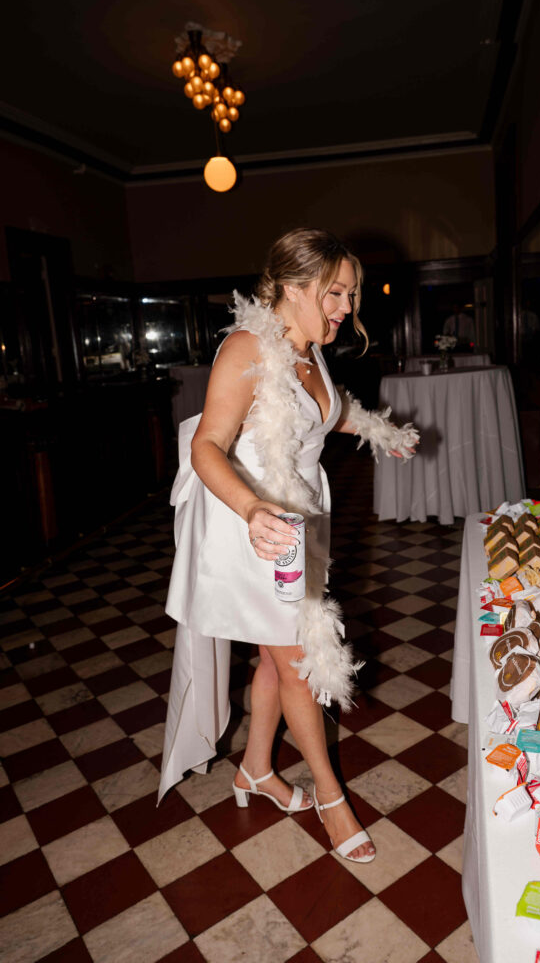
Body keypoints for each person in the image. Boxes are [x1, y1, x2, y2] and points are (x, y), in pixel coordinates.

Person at [160, 228, 418, 864]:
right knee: (301, 656)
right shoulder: (248, 346)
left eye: (351, 296)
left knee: (277, 660)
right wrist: (252, 509)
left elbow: (324, 411)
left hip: (300, 514)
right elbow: (206, 446)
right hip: (252, 524)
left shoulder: (308, 347)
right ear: (292, 287)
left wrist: (378, 430)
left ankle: (254, 770)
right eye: (336, 294)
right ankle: (332, 800)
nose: (346, 309)